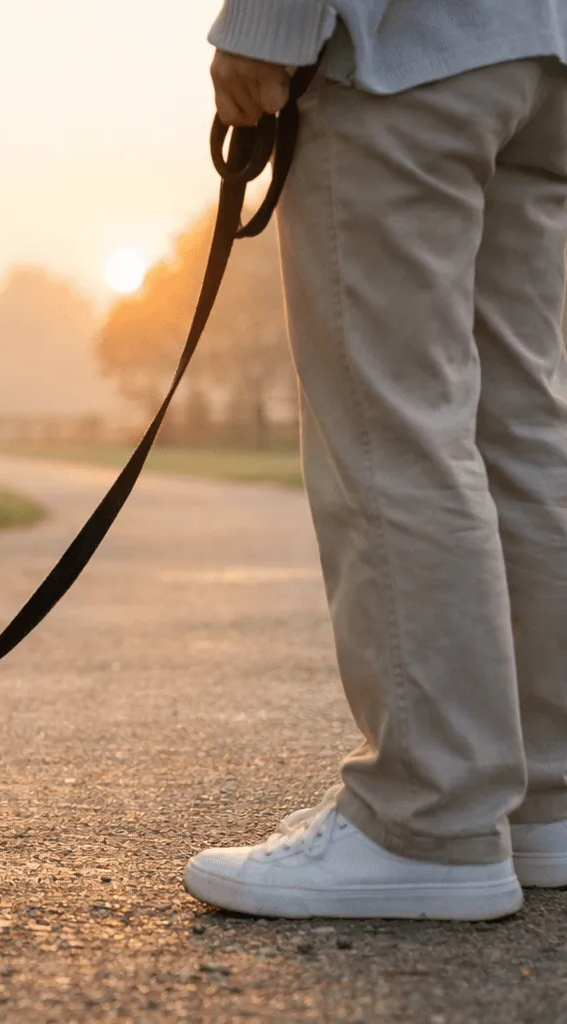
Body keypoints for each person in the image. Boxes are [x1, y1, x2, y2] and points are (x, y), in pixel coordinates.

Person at [185, 2, 567, 920]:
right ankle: (544, 804)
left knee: (393, 429)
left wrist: (268, 25)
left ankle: (430, 821)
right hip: (540, 59)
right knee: (520, 430)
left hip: (407, 52)